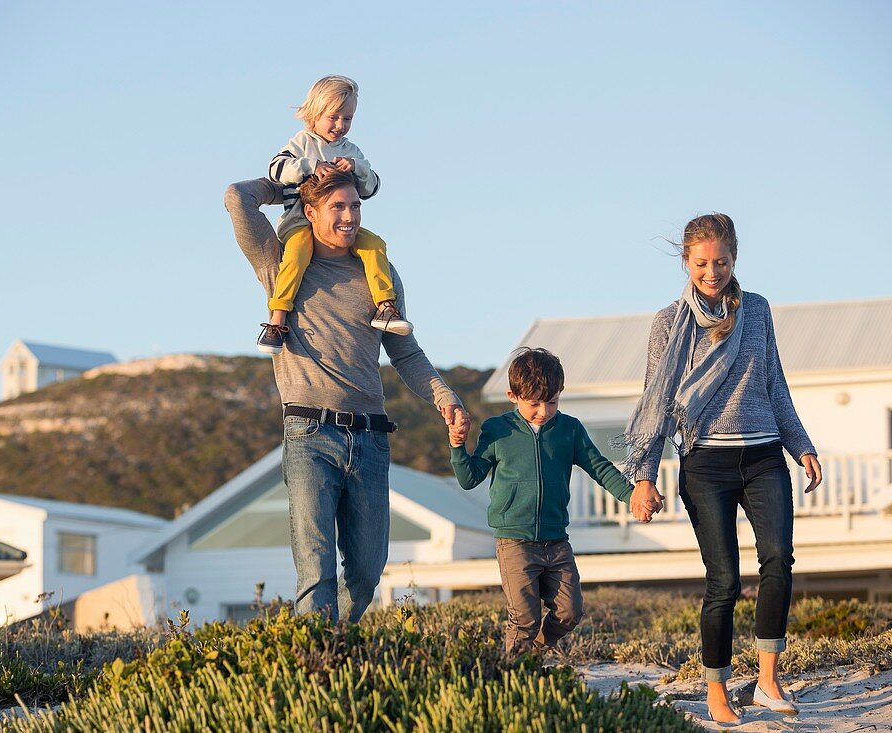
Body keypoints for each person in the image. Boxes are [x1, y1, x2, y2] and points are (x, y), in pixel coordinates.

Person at [225, 169, 467, 623]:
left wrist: (444, 397)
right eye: (338, 206)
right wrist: (285, 188)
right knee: (316, 572)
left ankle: (341, 643)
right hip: (308, 433)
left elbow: (405, 352)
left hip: (371, 438)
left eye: (355, 206)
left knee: (366, 573)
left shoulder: (379, 274)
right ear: (311, 213)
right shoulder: (279, 264)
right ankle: (317, 667)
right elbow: (237, 198)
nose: (350, 216)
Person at [621, 213, 823, 724]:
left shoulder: (756, 310)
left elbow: (774, 381)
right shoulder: (669, 323)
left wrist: (800, 444)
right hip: (704, 463)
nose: (713, 272)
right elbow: (657, 398)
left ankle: (768, 683)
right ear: (687, 262)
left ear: (735, 259)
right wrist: (644, 475)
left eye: (723, 262)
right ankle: (717, 693)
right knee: (724, 581)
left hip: (763, 454)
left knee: (779, 560)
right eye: (703, 263)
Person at [449, 348, 637, 655]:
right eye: (534, 403)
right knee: (524, 619)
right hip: (515, 543)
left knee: (570, 612)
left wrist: (631, 496)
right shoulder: (498, 430)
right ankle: (515, 679)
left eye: (552, 402)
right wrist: (457, 446)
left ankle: (534, 652)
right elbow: (470, 478)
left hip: (556, 541)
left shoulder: (569, 430)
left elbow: (600, 467)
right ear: (513, 395)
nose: (544, 411)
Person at [256, 75, 411, 355]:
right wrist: (310, 166)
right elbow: (275, 169)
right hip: (300, 222)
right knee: (296, 255)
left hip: (340, 228)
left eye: (348, 119)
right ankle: (277, 317)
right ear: (314, 114)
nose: (341, 126)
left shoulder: (351, 151)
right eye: (334, 117)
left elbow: (371, 187)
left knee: (375, 244)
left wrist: (356, 167)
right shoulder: (301, 143)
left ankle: (386, 307)